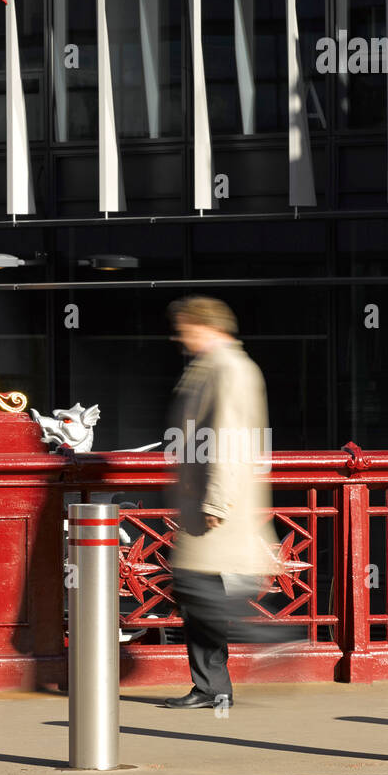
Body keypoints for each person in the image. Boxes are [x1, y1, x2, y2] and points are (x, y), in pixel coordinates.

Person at [161, 296, 279, 710]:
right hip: (204, 502)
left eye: (185, 328)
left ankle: (275, 638)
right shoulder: (213, 367)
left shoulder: (228, 369)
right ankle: (212, 687)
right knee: (194, 589)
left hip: (216, 505)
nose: (179, 336)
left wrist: (218, 502)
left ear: (203, 326)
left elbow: (228, 436)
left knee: (195, 588)